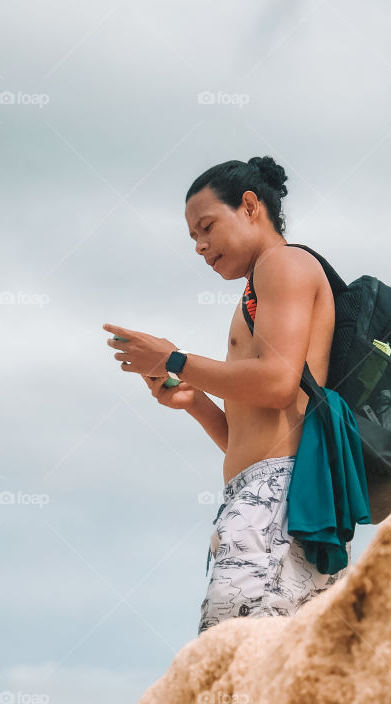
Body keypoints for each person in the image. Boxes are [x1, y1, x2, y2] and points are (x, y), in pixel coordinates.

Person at [103, 155, 351, 636]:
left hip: (275, 501)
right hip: (273, 495)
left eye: (207, 226)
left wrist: (174, 360)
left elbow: (278, 384)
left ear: (251, 207)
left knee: (234, 661)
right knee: (269, 671)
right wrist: (194, 400)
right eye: (193, 237)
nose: (199, 246)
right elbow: (251, 440)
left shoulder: (283, 264)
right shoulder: (257, 290)